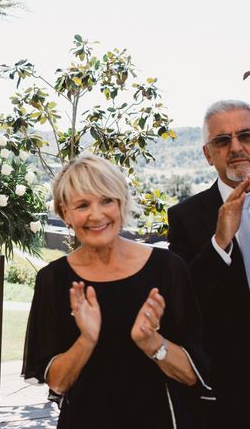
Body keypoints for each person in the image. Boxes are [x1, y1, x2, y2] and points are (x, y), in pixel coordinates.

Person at [23, 154, 211, 429]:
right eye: (82, 205)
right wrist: (86, 339)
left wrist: (152, 342)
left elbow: (191, 375)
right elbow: (58, 383)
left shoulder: (168, 269)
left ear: (122, 203)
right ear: (65, 213)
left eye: (107, 200)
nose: (96, 215)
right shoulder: (52, 279)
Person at [167, 99, 250, 427]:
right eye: (222, 140)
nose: (236, 147)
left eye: (245, 135)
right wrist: (219, 242)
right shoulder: (185, 216)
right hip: (226, 388)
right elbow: (184, 299)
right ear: (207, 154)